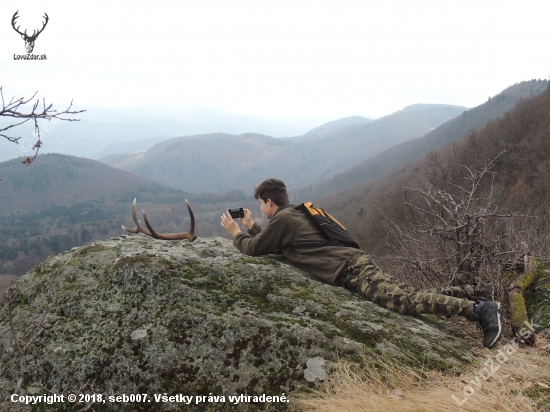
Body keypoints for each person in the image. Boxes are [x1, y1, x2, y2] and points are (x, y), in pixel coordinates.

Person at [221, 178, 503, 348]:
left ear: (269, 202)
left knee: (402, 302)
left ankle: (479, 309)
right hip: (352, 262)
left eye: (260, 204)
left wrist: (237, 233)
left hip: (350, 268)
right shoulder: (294, 214)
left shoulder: (282, 219)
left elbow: (255, 249)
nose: (259, 209)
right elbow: (276, 244)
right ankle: (475, 291)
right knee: (407, 293)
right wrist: (252, 225)